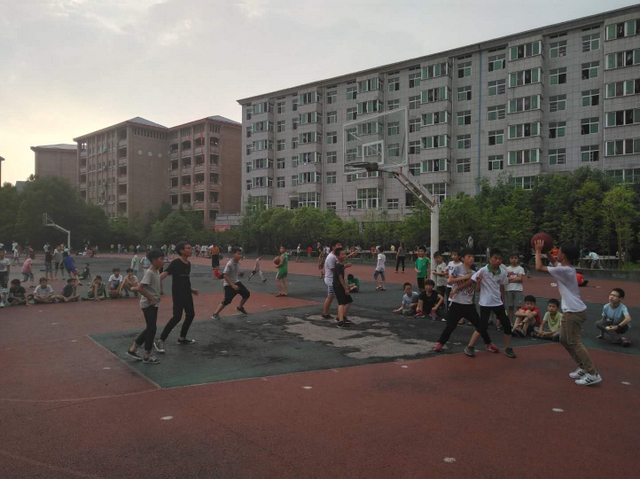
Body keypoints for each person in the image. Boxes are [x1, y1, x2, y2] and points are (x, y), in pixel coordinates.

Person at [535, 240, 601, 386]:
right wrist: (546, 251)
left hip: (574, 311)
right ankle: (583, 367)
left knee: (574, 342)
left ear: (563, 255)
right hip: (569, 310)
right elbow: (554, 262)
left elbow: (538, 267)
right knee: (564, 340)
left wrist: (538, 251)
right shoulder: (566, 268)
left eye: (558, 251)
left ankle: (592, 373)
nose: (556, 253)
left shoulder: (565, 270)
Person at [433, 248, 497, 355]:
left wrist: (478, 282)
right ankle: (440, 343)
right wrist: (464, 277)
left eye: (472, 257)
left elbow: (477, 289)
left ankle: (488, 343)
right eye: (468, 256)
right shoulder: (457, 269)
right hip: (456, 303)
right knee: (450, 326)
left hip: (469, 304)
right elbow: (450, 280)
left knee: (480, 325)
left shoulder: (475, 272)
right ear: (462, 258)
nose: (471, 258)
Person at [468, 248, 516, 358]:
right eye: (495, 258)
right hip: (485, 303)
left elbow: (503, 284)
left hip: (498, 302)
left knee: (507, 325)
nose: (498, 261)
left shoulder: (502, 272)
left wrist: (503, 300)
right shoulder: (483, 271)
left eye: (500, 259)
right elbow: (477, 289)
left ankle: (508, 348)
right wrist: (479, 282)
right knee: (482, 326)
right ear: (490, 259)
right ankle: (470, 346)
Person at [155, 242, 199, 352]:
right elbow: (164, 274)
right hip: (178, 294)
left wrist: (191, 289)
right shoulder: (176, 262)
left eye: (191, 248)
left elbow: (185, 280)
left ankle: (182, 338)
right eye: (188, 248)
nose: (191, 250)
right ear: (181, 251)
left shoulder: (188, 263)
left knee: (190, 315)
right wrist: (150, 282)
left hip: (187, 293)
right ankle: (160, 340)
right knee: (176, 317)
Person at [126, 249, 164, 365]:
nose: (163, 261)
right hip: (148, 304)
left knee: (150, 328)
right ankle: (147, 356)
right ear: (154, 260)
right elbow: (140, 288)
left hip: (153, 303)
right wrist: (151, 298)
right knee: (152, 329)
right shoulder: (150, 272)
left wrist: (157, 295)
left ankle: (133, 349)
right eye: (161, 259)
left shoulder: (156, 271)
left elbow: (151, 287)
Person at [211, 247, 250, 320]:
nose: (240, 255)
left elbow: (234, 273)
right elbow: (224, 275)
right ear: (233, 255)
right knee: (227, 300)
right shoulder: (229, 264)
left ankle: (240, 307)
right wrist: (232, 285)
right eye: (238, 254)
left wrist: (239, 275)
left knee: (246, 294)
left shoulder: (238, 263)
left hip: (236, 281)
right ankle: (215, 314)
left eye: (240, 254)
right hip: (228, 284)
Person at [332, 248, 353, 328]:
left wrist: (346, 266)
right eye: (342, 254)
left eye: (345, 254)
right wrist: (345, 288)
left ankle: (341, 316)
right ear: (337, 256)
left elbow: (341, 269)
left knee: (349, 300)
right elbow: (340, 277)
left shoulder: (340, 264)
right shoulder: (338, 265)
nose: (344, 256)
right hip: (338, 286)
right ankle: (340, 322)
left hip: (339, 285)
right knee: (341, 303)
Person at [505, 252, 525, 326]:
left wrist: (510, 279)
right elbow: (505, 280)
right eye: (512, 258)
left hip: (518, 289)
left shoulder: (520, 268)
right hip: (508, 289)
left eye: (515, 258)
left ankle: (519, 323)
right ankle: (511, 322)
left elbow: (520, 279)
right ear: (510, 259)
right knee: (510, 307)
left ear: (518, 259)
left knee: (518, 307)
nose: (513, 260)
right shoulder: (506, 269)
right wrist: (515, 279)